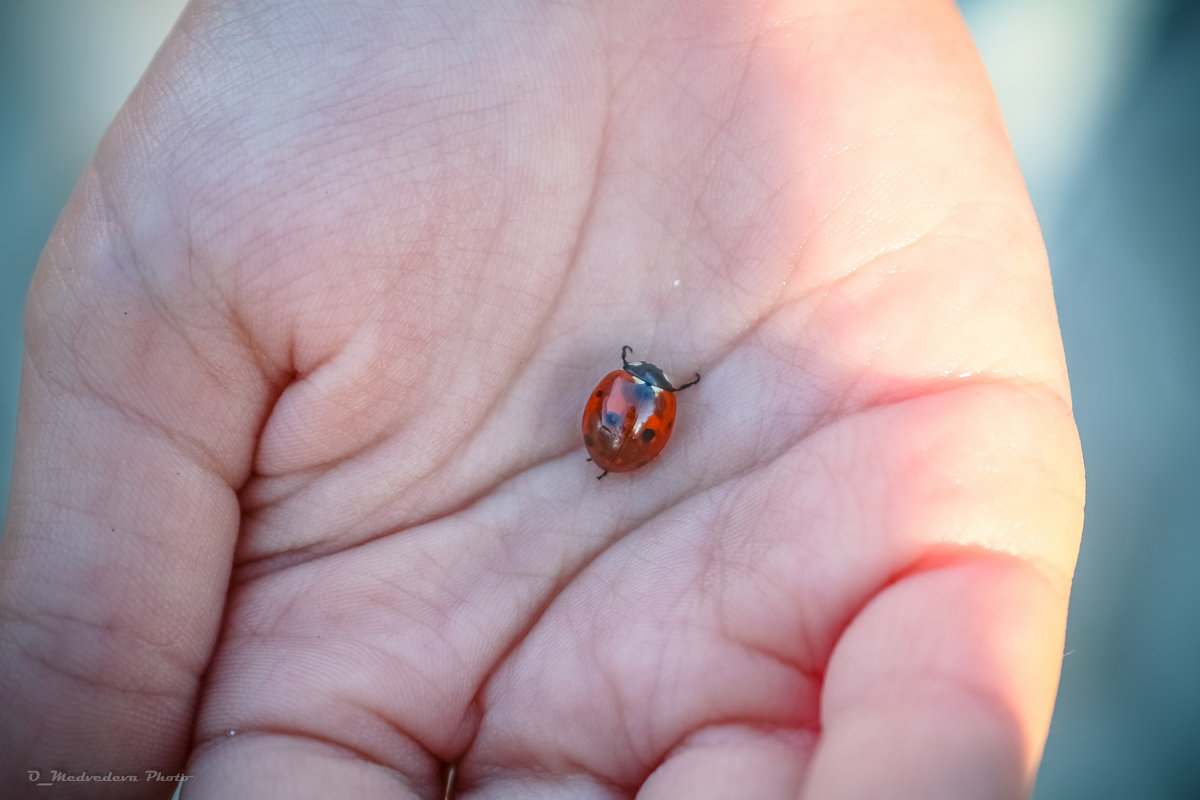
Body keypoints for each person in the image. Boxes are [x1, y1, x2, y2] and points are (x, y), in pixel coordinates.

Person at [0, 1, 1085, 797]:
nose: (637, 402)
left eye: (638, 402)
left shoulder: (635, 396)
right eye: (639, 399)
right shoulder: (644, 399)